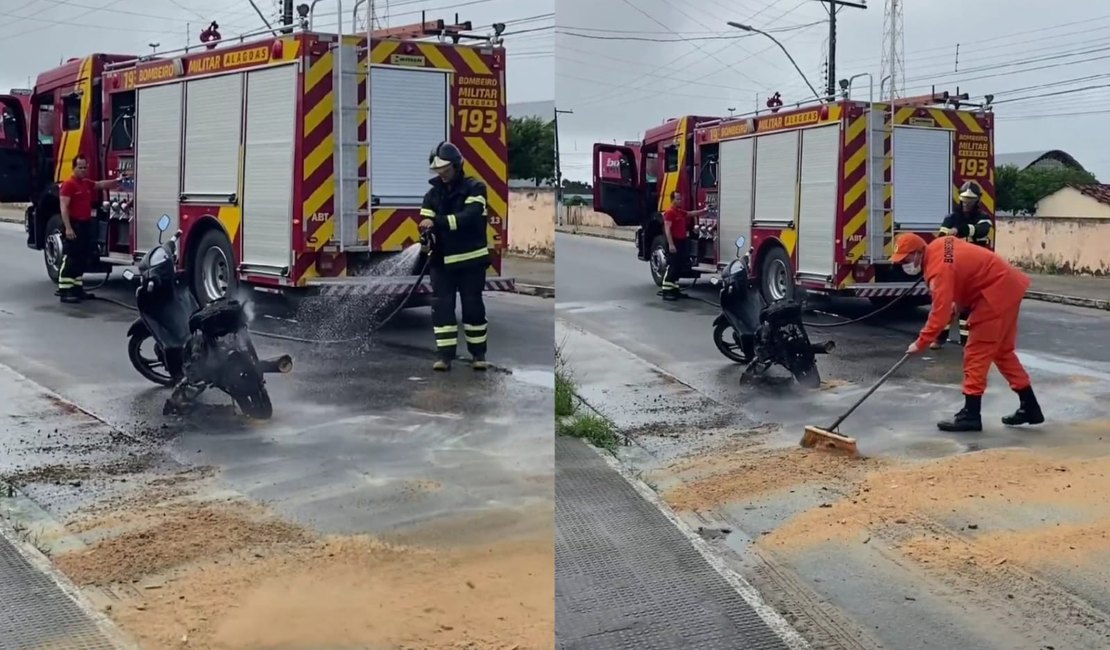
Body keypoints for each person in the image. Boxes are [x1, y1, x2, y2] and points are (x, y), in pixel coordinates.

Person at [893, 232, 1044, 432]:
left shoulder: (938, 270)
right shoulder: (940, 244)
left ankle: (971, 415)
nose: (905, 263)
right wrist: (958, 303)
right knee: (1002, 353)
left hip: (994, 294)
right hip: (1008, 285)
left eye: (907, 258)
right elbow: (966, 271)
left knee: (976, 354)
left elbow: (939, 313)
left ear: (919, 251)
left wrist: (920, 343)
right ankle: (1030, 407)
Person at [419, 141, 491, 372]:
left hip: (471, 261)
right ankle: (444, 357)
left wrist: (437, 222)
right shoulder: (432, 195)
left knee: (473, 309)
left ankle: (478, 355)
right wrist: (426, 234)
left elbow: (469, 217)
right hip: (441, 263)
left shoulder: (476, 188)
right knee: (442, 309)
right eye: (438, 171)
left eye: (446, 170)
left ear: (458, 166)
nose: (442, 175)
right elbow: (425, 221)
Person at [932, 181, 993, 349]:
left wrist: (961, 230)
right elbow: (941, 241)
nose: (966, 203)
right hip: (953, 267)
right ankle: (939, 338)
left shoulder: (984, 219)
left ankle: (966, 341)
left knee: (967, 307)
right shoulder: (950, 218)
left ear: (977, 201)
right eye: (964, 199)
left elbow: (982, 231)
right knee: (946, 304)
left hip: (974, 269)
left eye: (970, 200)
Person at [58, 154, 124, 303]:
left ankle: (77, 289)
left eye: (84, 167)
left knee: (82, 258)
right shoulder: (69, 184)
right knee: (71, 258)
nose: (83, 170)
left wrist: (117, 182)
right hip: (74, 225)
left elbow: (99, 184)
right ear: (73, 168)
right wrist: (68, 228)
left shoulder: (85, 183)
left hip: (85, 225)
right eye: (80, 167)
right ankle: (64, 291)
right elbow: (64, 207)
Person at [659, 191, 709, 300]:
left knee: (679, 267)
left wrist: (704, 211)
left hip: (682, 242)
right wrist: (671, 245)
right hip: (674, 242)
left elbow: (691, 213)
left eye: (680, 198)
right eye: (677, 199)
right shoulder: (669, 213)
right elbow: (667, 230)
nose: (680, 200)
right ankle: (666, 292)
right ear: (672, 200)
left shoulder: (679, 212)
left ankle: (675, 290)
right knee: (673, 267)